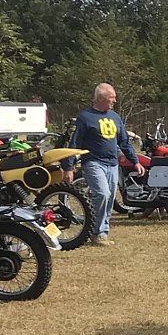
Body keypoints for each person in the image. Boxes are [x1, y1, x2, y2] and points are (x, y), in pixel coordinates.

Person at [62, 83, 145, 247]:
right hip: (93, 163)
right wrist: (68, 167)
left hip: (112, 164)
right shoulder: (85, 117)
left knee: (109, 198)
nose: (114, 101)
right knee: (103, 194)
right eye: (111, 98)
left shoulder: (115, 117)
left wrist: (135, 161)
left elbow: (124, 142)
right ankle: (97, 232)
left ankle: (102, 232)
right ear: (100, 99)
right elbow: (74, 143)